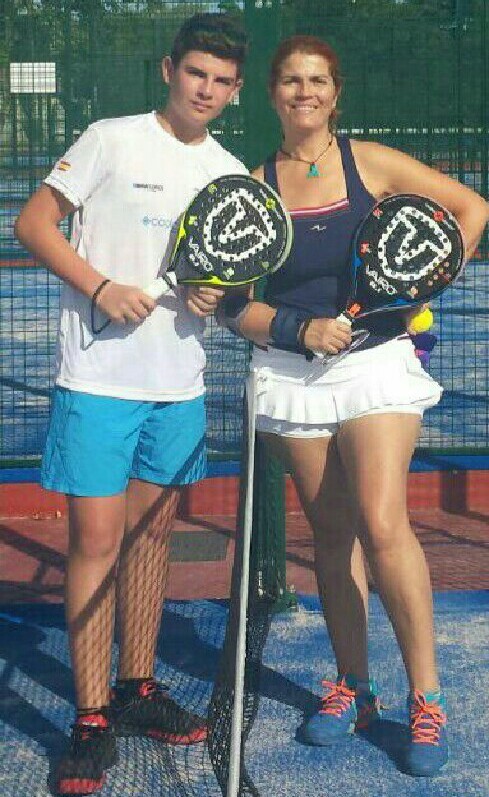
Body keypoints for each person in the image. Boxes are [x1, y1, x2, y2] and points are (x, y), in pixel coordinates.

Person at [218, 35, 489, 778]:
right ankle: (354, 687)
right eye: (290, 81)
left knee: (380, 519)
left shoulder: (368, 161)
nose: (303, 92)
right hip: (291, 371)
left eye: (317, 81)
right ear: (271, 94)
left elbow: (470, 207)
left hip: (375, 365)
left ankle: (426, 699)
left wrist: (426, 280)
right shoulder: (252, 184)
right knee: (331, 531)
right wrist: (296, 328)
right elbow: (233, 304)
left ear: (336, 93)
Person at [15, 13, 248, 795]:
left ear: (234, 91)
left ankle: (135, 688)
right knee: (96, 540)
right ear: (168, 70)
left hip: (176, 386)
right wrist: (101, 287)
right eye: (196, 73)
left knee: (151, 541)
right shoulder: (109, 139)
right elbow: (32, 223)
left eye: (221, 81)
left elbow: (224, 282)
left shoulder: (228, 172)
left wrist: (215, 296)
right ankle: (89, 718)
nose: (206, 89)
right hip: (98, 382)